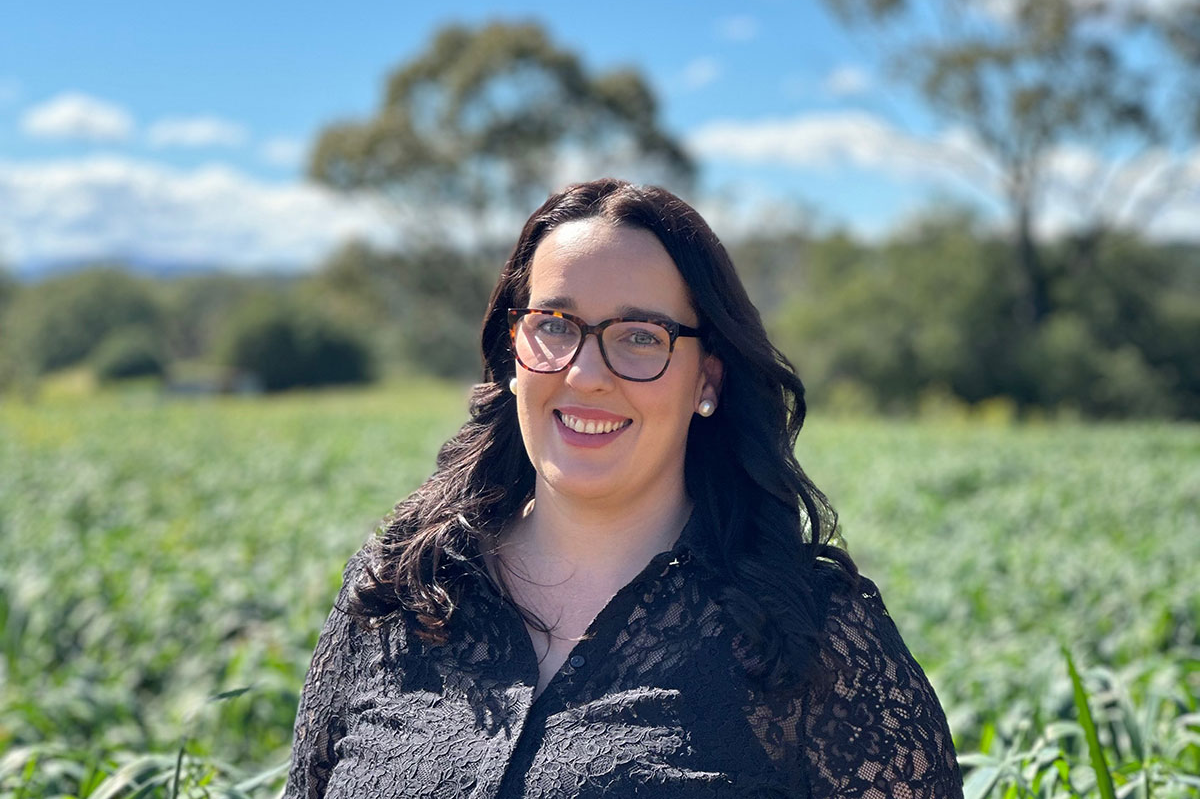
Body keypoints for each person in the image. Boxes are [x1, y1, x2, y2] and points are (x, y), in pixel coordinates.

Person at [284, 179, 963, 798]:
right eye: (554, 325)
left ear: (708, 380)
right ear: (514, 351)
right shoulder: (393, 596)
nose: (584, 374)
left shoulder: (813, 637)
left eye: (640, 336)